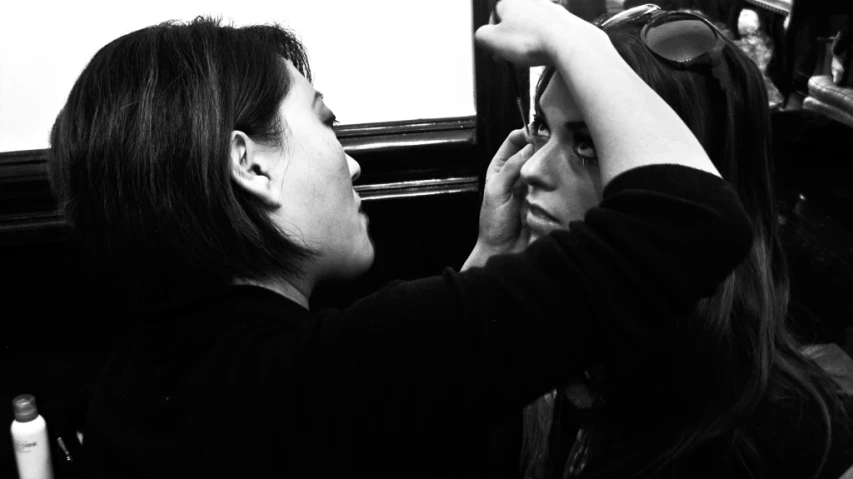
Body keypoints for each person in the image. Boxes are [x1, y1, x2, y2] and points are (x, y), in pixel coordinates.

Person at [48, 4, 753, 478]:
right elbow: (691, 217)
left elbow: (420, 390)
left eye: (583, 143)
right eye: (326, 125)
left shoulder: (132, 387)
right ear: (251, 164)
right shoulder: (315, 378)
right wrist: (577, 38)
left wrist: (485, 260)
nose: (351, 160)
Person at [508, 3, 853, 478]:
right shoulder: (573, 346)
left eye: (587, 144)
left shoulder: (789, 437)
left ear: (691, 188)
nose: (530, 169)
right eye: (541, 129)